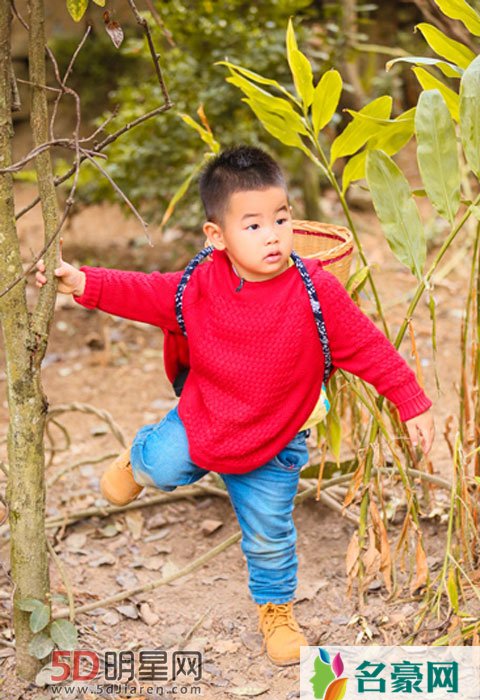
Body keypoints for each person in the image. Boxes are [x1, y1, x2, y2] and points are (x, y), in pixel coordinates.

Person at [36, 145, 435, 667]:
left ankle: (276, 610)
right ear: (217, 236)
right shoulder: (201, 283)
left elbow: (369, 348)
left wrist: (411, 400)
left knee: (270, 533)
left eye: (281, 218)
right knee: (162, 465)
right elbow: (149, 293)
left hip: (275, 439)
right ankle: (137, 458)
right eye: (252, 225)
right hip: (206, 417)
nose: (272, 234)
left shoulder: (318, 293)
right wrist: (84, 281)